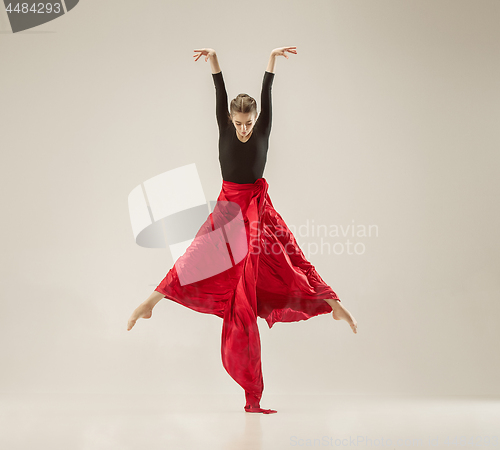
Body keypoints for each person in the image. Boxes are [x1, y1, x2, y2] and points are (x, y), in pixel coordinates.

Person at [127, 47, 358, 414]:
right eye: (238, 122)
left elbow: (267, 94)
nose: (244, 128)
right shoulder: (225, 125)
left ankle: (334, 306)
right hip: (228, 207)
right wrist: (215, 59)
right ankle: (150, 303)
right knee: (194, 258)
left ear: (256, 119)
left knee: (291, 256)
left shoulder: (263, 124)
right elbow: (219, 90)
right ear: (231, 119)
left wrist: (271, 59)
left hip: (259, 208)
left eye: (248, 122)